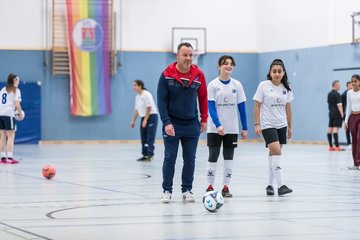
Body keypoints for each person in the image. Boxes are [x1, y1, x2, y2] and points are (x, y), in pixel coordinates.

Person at [157, 42, 208, 203]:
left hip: (192, 124)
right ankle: (167, 190)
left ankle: (187, 190)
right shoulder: (166, 75)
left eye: (190, 55)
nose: (188, 58)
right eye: (184, 55)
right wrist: (166, 122)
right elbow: (161, 100)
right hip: (172, 124)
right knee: (170, 157)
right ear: (177, 56)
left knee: (190, 158)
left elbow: (203, 97)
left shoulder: (199, 75)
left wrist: (204, 119)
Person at [206, 55, 248, 198]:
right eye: (225, 64)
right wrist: (218, 125)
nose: (228, 66)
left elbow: (242, 107)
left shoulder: (237, 85)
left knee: (229, 157)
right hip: (214, 129)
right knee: (213, 155)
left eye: (231, 64)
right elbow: (211, 108)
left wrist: (244, 127)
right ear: (219, 66)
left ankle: (225, 187)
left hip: (232, 129)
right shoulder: (212, 85)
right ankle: (210, 186)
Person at [253, 59, 293, 196]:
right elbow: (257, 106)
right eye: (274, 71)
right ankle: (281, 186)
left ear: (283, 73)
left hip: (282, 124)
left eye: (279, 71)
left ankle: (269, 185)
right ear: (270, 72)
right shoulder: (263, 85)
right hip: (267, 125)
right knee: (276, 152)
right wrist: (257, 124)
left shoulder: (287, 88)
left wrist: (290, 127)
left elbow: (288, 108)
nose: (277, 74)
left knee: (273, 155)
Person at [130, 80, 158, 161]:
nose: (133, 87)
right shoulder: (137, 97)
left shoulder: (146, 94)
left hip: (151, 116)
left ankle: (150, 155)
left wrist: (145, 120)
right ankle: (145, 154)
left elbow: (149, 107)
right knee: (144, 137)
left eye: (135, 85)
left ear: (140, 86)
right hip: (144, 117)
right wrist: (133, 120)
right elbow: (137, 110)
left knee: (150, 137)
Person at [0, 73, 24, 164]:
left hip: (0, 114)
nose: (18, 81)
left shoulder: (2, 90)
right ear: (14, 80)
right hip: (9, 114)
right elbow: (17, 104)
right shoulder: (16, 90)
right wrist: (20, 114)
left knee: (2, 136)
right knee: (11, 136)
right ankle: (9, 157)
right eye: (17, 80)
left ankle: (2, 158)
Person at [345, 74, 360, 170]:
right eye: (352, 81)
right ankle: (355, 164)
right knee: (354, 141)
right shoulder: (349, 93)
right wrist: (346, 120)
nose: (353, 83)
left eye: (356, 81)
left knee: (359, 139)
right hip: (352, 118)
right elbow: (348, 108)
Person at [327, 80, 344, 151]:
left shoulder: (329, 94)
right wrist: (342, 114)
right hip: (337, 114)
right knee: (335, 129)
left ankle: (331, 146)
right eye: (338, 85)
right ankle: (337, 146)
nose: (340, 86)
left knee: (330, 129)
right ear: (335, 85)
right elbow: (339, 105)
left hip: (331, 113)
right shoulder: (337, 94)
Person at [341, 81, 352, 146]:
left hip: (353, 113)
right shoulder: (343, 94)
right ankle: (349, 143)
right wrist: (343, 115)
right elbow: (341, 105)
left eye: (351, 85)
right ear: (347, 86)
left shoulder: (355, 93)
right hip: (346, 114)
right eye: (349, 85)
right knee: (347, 129)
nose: (351, 86)